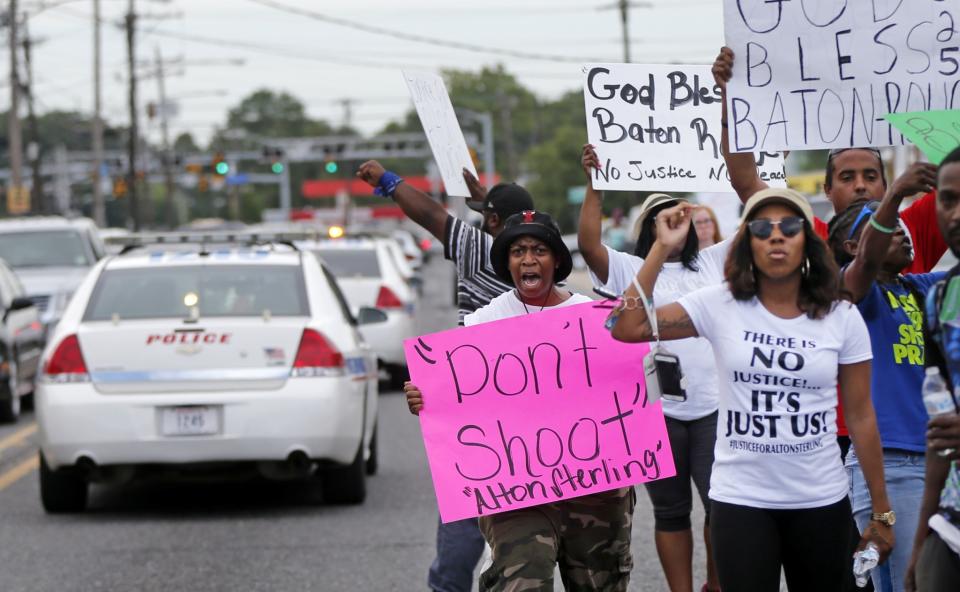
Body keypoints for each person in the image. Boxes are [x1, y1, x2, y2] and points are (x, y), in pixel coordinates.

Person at [611, 188, 893, 591]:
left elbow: (863, 416)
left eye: (789, 226)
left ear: (805, 240)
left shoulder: (841, 316)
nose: (776, 235)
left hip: (820, 499)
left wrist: (882, 512)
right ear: (747, 243)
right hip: (741, 500)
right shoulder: (719, 304)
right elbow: (627, 328)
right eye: (762, 228)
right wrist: (660, 248)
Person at [405, 210, 635, 591]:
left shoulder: (592, 320)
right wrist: (426, 397)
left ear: (557, 260)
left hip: (595, 489)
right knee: (522, 579)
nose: (528, 259)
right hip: (518, 493)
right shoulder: (482, 324)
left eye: (539, 249)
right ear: (508, 262)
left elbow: (630, 384)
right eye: (518, 251)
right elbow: (458, 395)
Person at [355, 161, 533, 592]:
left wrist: (388, 181)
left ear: (489, 221)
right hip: (530, 415)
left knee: (463, 525)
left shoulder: (479, 248)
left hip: (474, 410)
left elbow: (431, 216)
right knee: (527, 537)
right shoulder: (543, 259)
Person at [578, 143, 722, 592]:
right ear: (649, 229)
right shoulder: (631, 268)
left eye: (681, 216)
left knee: (722, 506)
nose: (676, 223)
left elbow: (761, 213)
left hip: (714, 409)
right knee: (671, 511)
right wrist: (595, 185)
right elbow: (587, 244)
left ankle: (716, 585)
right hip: (656, 414)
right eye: (662, 217)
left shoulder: (715, 262)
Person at [825, 162, 943, 592]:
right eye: (889, 227)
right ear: (854, 244)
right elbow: (866, 263)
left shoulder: (922, 287)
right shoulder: (852, 295)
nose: (903, 232)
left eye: (902, 226)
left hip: (936, 460)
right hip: (889, 467)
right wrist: (893, 197)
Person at [904, 146, 960, 592]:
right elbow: (942, 428)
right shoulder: (940, 299)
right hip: (951, 526)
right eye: (947, 199)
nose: (956, 213)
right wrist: (923, 535)